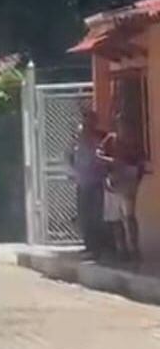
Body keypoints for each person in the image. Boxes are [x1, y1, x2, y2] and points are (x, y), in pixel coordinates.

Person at [97, 126, 145, 261]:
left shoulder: (134, 142)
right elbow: (98, 154)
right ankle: (121, 249)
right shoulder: (111, 139)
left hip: (128, 183)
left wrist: (135, 178)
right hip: (114, 182)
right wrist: (110, 162)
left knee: (129, 217)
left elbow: (140, 162)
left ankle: (133, 249)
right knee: (115, 219)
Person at [68, 110, 106, 257]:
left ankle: (98, 247)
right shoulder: (77, 139)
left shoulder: (101, 137)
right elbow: (69, 156)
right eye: (84, 121)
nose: (86, 124)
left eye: (89, 121)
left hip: (97, 182)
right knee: (85, 215)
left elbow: (104, 156)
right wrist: (73, 172)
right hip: (82, 182)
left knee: (97, 215)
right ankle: (89, 245)